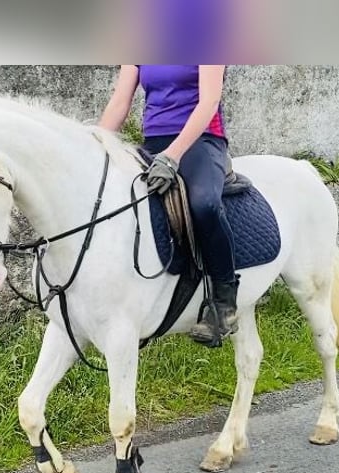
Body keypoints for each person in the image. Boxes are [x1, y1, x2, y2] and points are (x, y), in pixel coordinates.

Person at [98, 64, 239, 345]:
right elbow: (119, 102)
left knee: (204, 205)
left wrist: (172, 156)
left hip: (202, 140)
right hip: (153, 143)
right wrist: (92, 145)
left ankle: (225, 302)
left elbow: (209, 101)